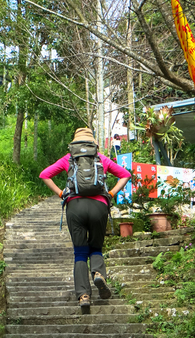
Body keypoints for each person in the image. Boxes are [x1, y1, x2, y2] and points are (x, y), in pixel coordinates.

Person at [40, 127, 131, 313]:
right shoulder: (101, 158)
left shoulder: (69, 158)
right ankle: (98, 273)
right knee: (95, 247)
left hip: (75, 206)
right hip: (99, 207)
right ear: (93, 143)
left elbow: (44, 175)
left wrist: (60, 193)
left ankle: (84, 296)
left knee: (80, 252)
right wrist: (111, 193)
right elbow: (125, 175)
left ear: (74, 143)